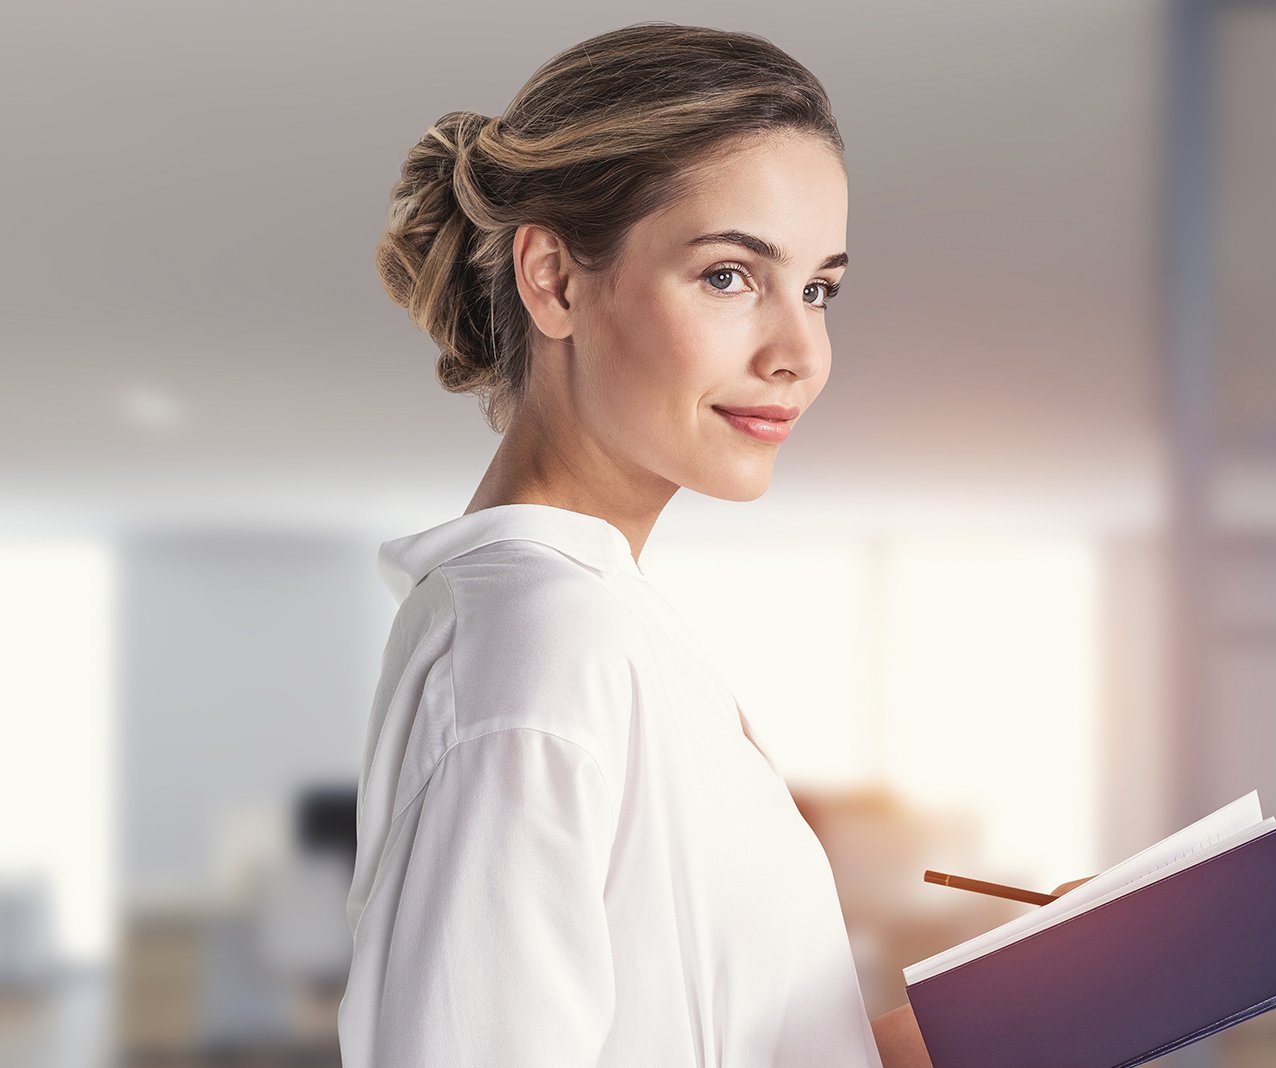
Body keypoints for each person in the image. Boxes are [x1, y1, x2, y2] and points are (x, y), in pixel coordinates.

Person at [336, 21, 933, 1068]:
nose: (799, 352)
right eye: (728, 277)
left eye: (818, 289)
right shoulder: (540, 649)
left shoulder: (607, 625)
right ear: (555, 281)